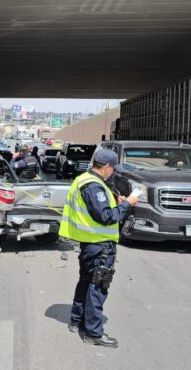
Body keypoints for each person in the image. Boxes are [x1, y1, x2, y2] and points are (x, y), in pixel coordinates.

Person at [59, 149, 138, 348]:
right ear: (106, 167)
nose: (113, 173)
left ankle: (77, 321)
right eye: (113, 169)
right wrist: (127, 204)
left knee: (86, 282)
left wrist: (116, 202)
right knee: (98, 286)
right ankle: (94, 333)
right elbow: (106, 217)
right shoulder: (94, 186)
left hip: (90, 243)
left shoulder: (83, 179)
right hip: (100, 245)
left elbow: (98, 210)